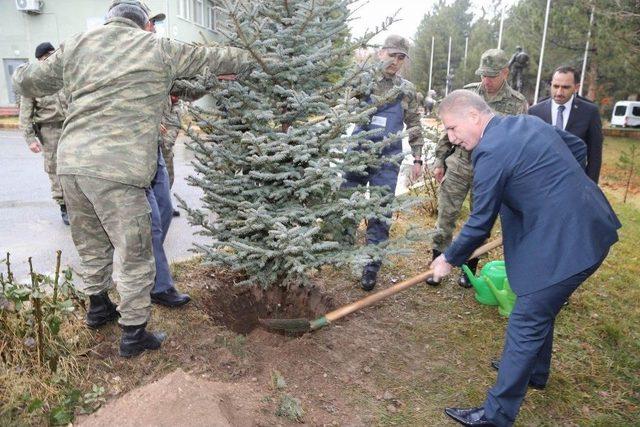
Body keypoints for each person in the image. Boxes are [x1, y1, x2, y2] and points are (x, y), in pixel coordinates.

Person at [13, 0, 251, 357]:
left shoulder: (79, 44)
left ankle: (98, 308)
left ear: (110, 21)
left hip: (72, 164)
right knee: (135, 251)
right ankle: (134, 334)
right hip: (118, 169)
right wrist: (256, 62)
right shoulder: (155, 47)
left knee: (91, 243)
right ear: (142, 25)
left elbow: (26, 80)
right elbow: (213, 57)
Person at [429, 90, 621, 427]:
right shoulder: (528, 123)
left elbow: (480, 222)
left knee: (526, 320)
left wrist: (447, 259)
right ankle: (536, 372)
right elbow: (577, 148)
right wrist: (550, 192)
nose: (452, 139)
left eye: (452, 129)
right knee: (536, 303)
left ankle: (495, 416)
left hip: (570, 243)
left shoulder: (489, 152)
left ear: (474, 116)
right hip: (591, 225)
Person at [428, 49, 528, 288]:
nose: (487, 80)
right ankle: (436, 267)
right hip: (460, 164)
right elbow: (448, 130)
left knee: (481, 220)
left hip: (490, 172)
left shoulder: (517, 103)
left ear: (505, 72)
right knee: (445, 217)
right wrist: (440, 160)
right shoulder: (468, 94)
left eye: (492, 75)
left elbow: (519, 141)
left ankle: (469, 269)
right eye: (484, 75)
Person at [342, 34, 424, 291]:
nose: (396, 62)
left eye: (401, 58)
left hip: (388, 159)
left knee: (380, 213)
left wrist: (418, 157)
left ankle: (370, 268)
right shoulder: (362, 80)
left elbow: (413, 124)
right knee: (348, 204)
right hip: (359, 153)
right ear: (381, 53)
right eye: (392, 55)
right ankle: (341, 253)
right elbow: (344, 109)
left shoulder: (407, 89)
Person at [141, 3, 191, 307]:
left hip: (156, 151)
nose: (154, 28)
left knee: (164, 208)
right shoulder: (126, 58)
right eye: (150, 23)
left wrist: (215, 77)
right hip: (135, 153)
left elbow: (182, 89)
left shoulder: (158, 56)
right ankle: (159, 285)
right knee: (152, 222)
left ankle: (148, 265)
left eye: (155, 24)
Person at [18, 42, 69, 225]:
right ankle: (64, 206)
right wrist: (30, 139)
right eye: (45, 57)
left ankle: (79, 204)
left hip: (71, 126)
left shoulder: (64, 76)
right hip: (50, 130)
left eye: (51, 55)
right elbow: (25, 115)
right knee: (55, 168)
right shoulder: (32, 82)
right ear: (39, 60)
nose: (49, 59)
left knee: (76, 165)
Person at [528, 66, 603, 184]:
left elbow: (595, 155)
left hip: (574, 183)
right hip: (540, 183)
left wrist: (589, 187)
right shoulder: (535, 112)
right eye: (556, 86)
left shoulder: (589, 112)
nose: (559, 92)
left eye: (565, 87)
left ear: (576, 88)